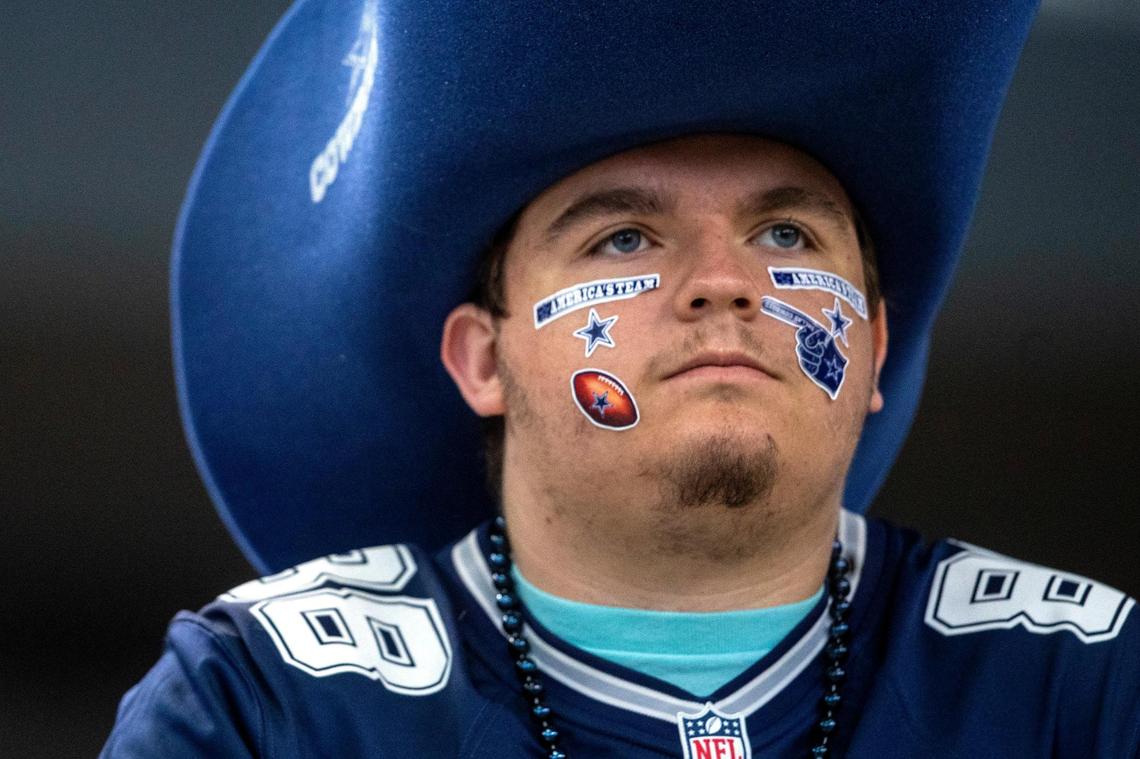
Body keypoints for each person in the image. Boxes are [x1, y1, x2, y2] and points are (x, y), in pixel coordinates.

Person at [103, 1, 1138, 757]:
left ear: (873, 345)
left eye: (785, 233)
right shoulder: (270, 702)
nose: (725, 281)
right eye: (625, 237)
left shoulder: (1080, 684)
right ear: (482, 359)